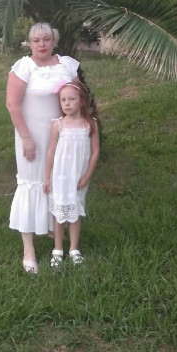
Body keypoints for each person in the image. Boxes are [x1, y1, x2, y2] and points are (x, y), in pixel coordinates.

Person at [6, 22, 81, 273]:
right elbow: (12, 105)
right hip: (32, 138)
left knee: (55, 182)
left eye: (46, 39)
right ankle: (28, 250)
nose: (42, 44)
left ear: (53, 41)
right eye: (36, 40)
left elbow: (77, 98)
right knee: (31, 184)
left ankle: (51, 228)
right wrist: (26, 137)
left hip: (61, 137)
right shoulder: (23, 68)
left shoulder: (66, 65)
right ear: (30, 43)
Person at [43, 82, 100, 270]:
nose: (67, 103)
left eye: (71, 99)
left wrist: (87, 175)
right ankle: (57, 249)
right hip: (60, 177)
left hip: (78, 178)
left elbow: (95, 152)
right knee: (59, 213)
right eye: (63, 100)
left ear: (81, 101)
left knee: (75, 212)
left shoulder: (90, 124)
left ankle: (74, 248)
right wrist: (47, 178)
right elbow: (51, 152)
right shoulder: (58, 125)